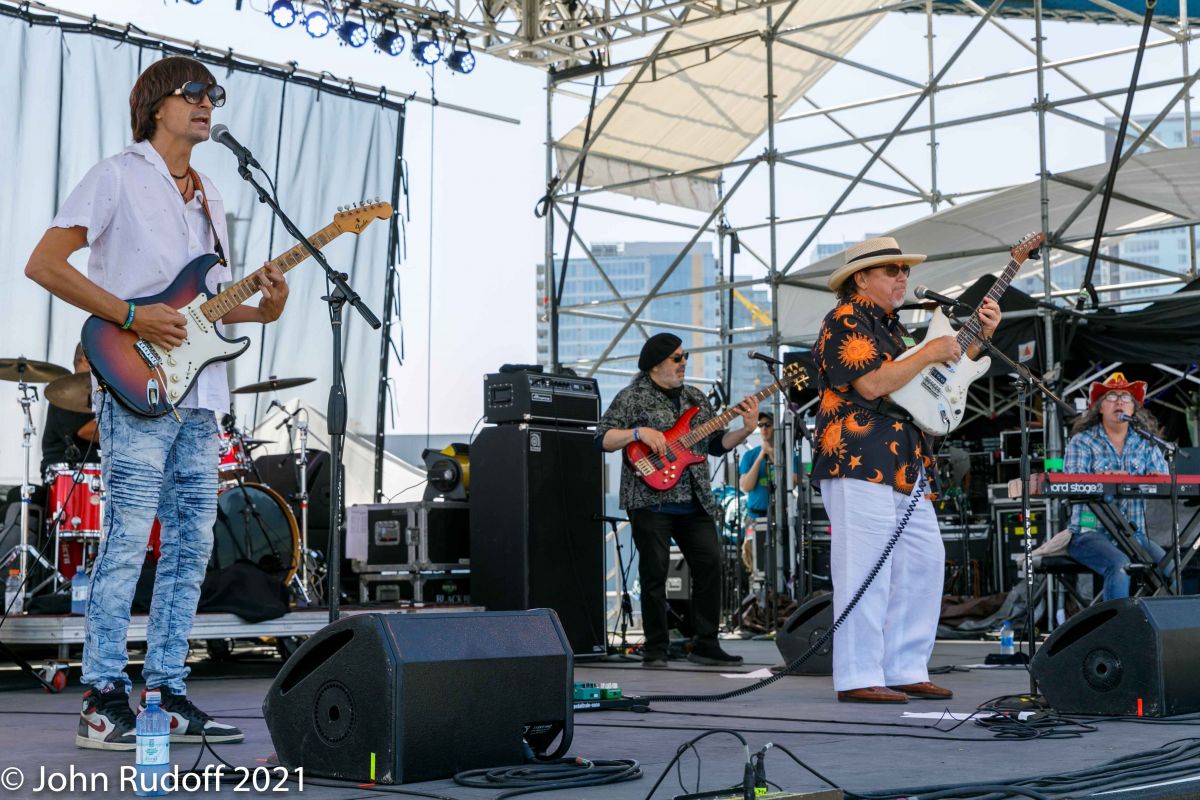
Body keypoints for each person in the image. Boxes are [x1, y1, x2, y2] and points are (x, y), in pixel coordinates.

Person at [24, 56, 289, 750]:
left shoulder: (212, 196)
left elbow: (206, 313)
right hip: (136, 386)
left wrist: (264, 309)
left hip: (199, 398)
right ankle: (101, 695)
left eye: (214, 94)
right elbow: (44, 263)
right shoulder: (117, 175)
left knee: (192, 548)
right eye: (193, 92)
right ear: (155, 106)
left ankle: (166, 691)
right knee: (126, 540)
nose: (207, 103)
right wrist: (129, 314)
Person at [811, 236, 1000, 704]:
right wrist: (931, 351)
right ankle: (857, 675)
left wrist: (976, 341)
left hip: (905, 460)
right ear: (862, 277)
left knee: (925, 561)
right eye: (892, 270)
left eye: (905, 270)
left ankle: (904, 666)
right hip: (859, 455)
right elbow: (873, 383)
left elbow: (928, 383)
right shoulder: (843, 319)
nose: (903, 278)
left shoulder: (894, 328)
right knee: (864, 569)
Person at [597, 333, 758, 668]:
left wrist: (745, 430)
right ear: (656, 365)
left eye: (686, 356)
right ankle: (655, 648)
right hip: (648, 499)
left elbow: (714, 445)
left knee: (710, 567)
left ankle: (705, 644)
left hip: (694, 499)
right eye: (677, 358)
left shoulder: (696, 397)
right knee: (654, 574)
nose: (684, 362)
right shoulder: (632, 398)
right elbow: (603, 438)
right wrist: (638, 433)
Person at [1064, 373, 1170, 601]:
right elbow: (1071, 484)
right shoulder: (1082, 441)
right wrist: (1100, 478)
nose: (1120, 401)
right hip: (1089, 534)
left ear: (1134, 408)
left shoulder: (1146, 443)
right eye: (1111, 396)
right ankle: (1114, 633)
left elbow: (1164, 479)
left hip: (1134, 535)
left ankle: (1156, 630)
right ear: (1099, 408)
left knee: (1170, 569)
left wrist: (1157, 478)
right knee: (1120, 564)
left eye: (1126, 397)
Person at [737, 411, 799, 571]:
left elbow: (792, 482)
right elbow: (745, 486)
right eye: (760, 425)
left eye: (768, 425)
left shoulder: (788, 454)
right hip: (756, 517)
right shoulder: (750, 455)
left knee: (783, 561)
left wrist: (773, 456)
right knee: (755, 563)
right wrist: (760, 458)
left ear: (776, 427)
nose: (764, 429)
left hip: (781, 516)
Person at [40, 344, 100, 476]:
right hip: (66, 474)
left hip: (99, 470)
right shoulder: (66, 392)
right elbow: (89, 432)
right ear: (84, 359)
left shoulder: (99, 392)